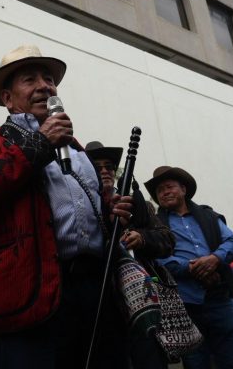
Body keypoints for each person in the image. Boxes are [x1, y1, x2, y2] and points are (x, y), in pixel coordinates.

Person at [0, 45, 133, 369]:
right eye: (30, 79)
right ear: (8, 99)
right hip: (31, 299)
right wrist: (40, 143)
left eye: (49, 79)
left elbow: (91, 214)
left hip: (95, 292)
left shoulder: (76, 148)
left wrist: (112, 213)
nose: (44, 86)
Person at [85, 141, 175, 369]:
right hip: (101, 306)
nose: (104, 171)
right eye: (97, 166)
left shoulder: (139, 206)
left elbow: (167, 240)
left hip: (143, 302)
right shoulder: (81, 206)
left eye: (109, 166)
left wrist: (141, 238)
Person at [150, 165, 233, 369]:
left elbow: (231, 243)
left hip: (220, 299)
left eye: (169, 186)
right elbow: (158, 259)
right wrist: (192, 268)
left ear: (183, 189)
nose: (165, 192)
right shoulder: (156, 225)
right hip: (185, 305)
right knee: (196, 363)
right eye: (159, 191)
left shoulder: (209, 215)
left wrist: (214, 260)